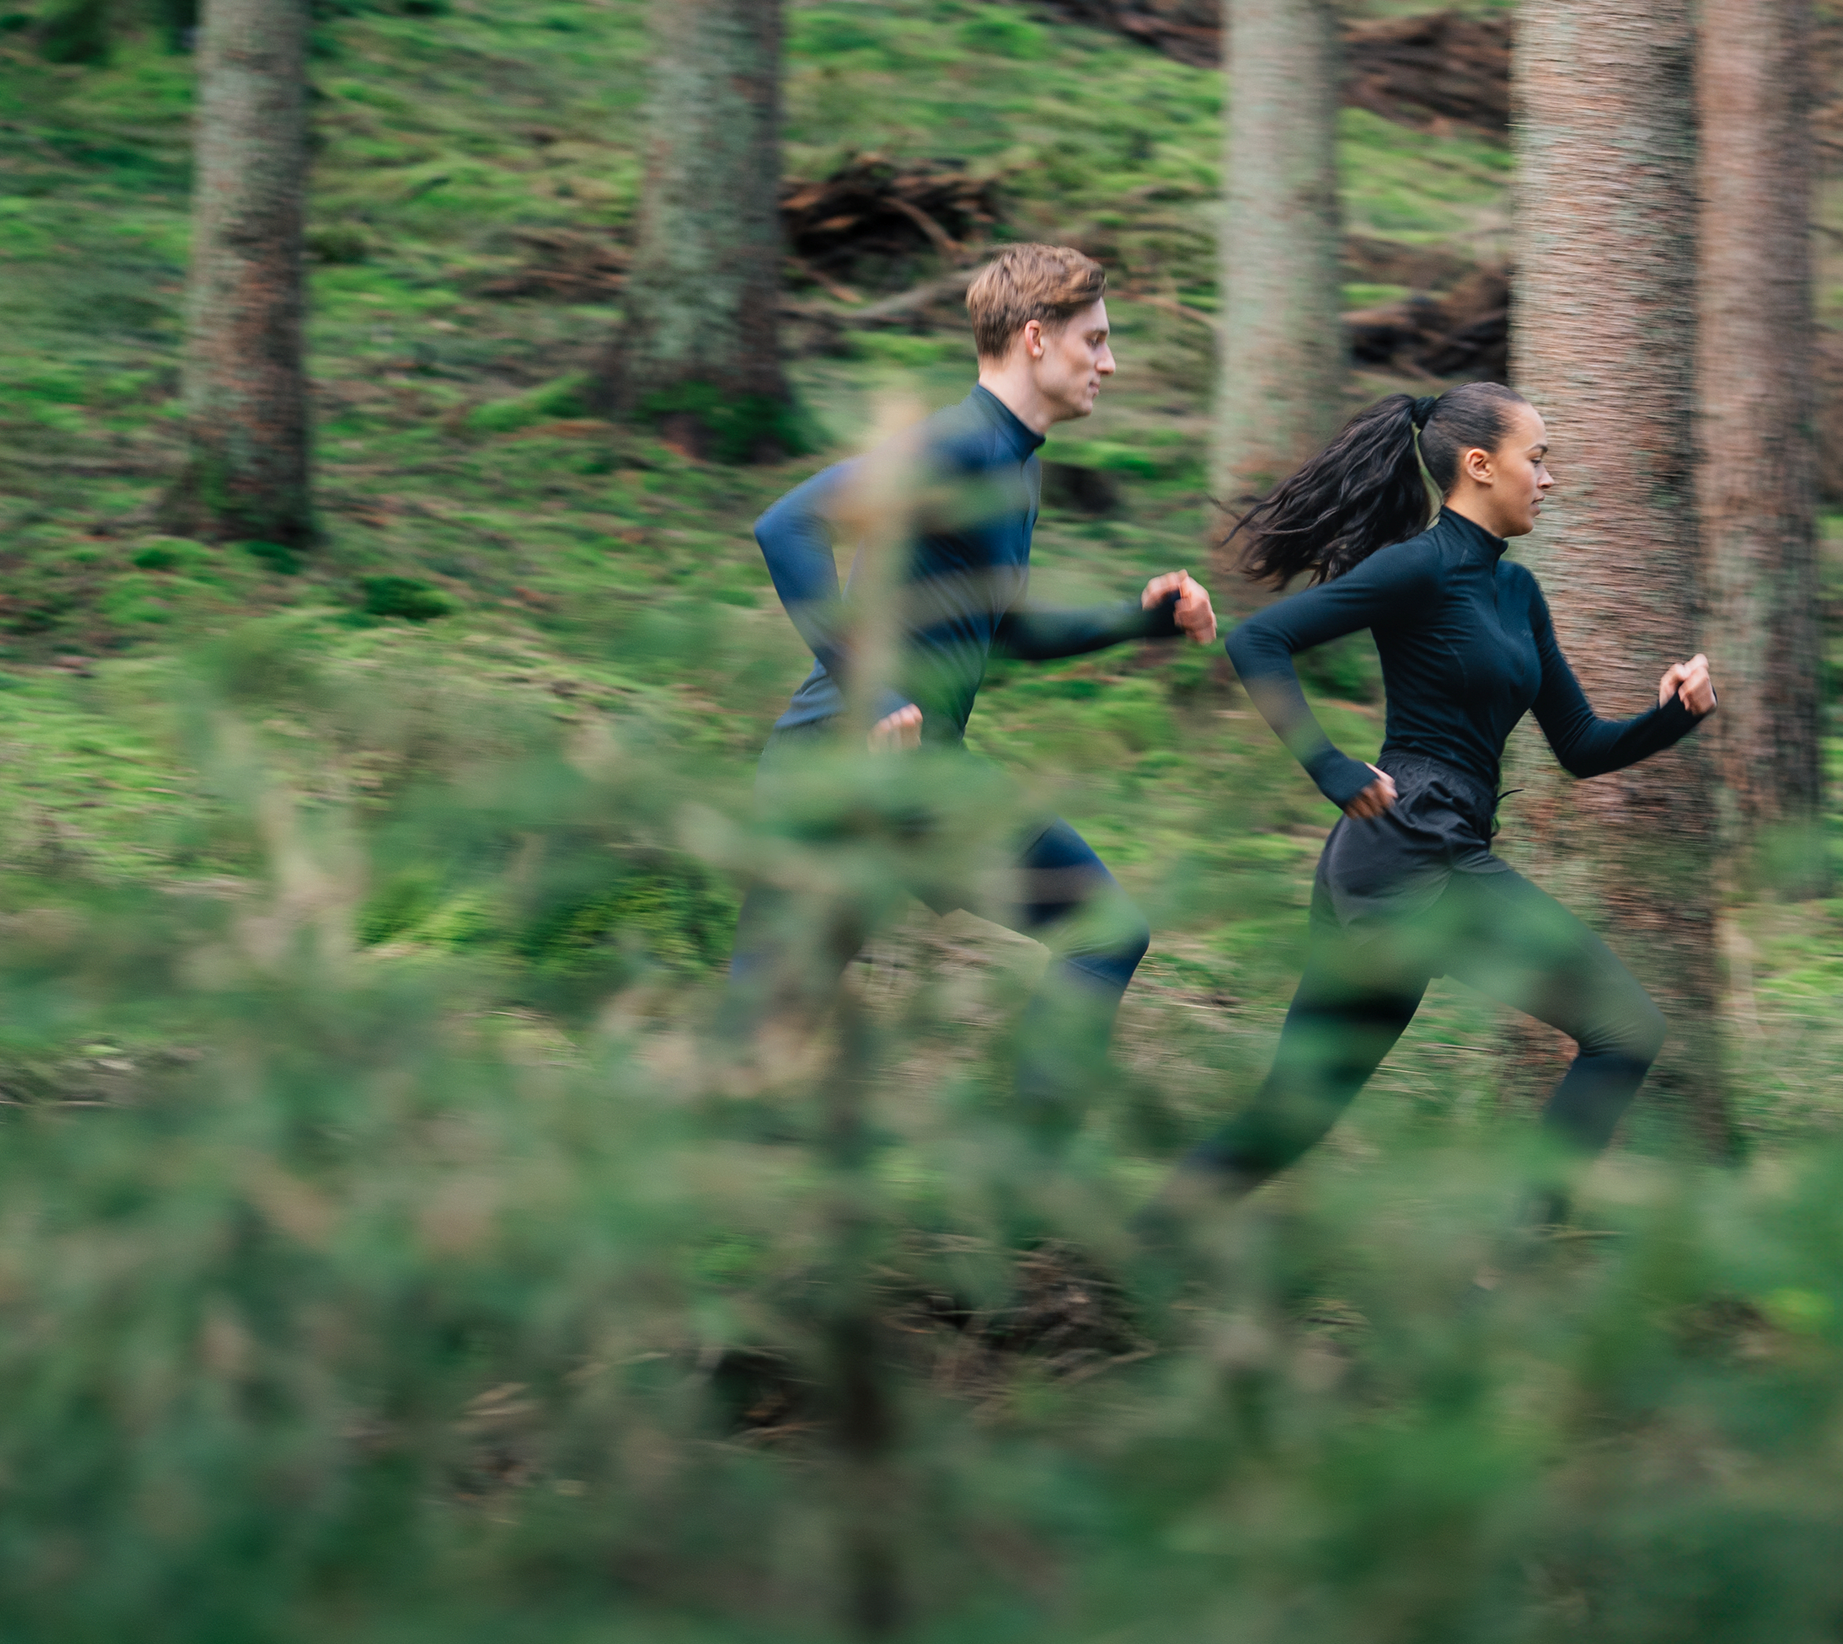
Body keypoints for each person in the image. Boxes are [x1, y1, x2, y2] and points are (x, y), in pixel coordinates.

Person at [1147, 381, 1717, 1221]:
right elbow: (1263, 638)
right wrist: (1328, 766)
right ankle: (1508, 1259)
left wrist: (1674, 716)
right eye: (1539, 461)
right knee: (1626, 1030)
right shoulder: (1419, 565)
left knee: (1297, 1111)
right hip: (1415, 843)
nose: (1549, 481)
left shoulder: (1517, 594)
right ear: (1480, 467)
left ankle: (1139, 1242)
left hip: (1404, 856)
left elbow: (1582, 748)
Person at [724, 243, 1216, 1134]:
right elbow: (788, 525)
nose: (1111, 362)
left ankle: (1027, 1185)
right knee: (761, 1035)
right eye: (1095, 341)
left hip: (916, 773)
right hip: (840, 763)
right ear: (1035, 339)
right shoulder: (955, 444)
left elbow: (1009, 628)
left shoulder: (1015, 461)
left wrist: (1144, 620)